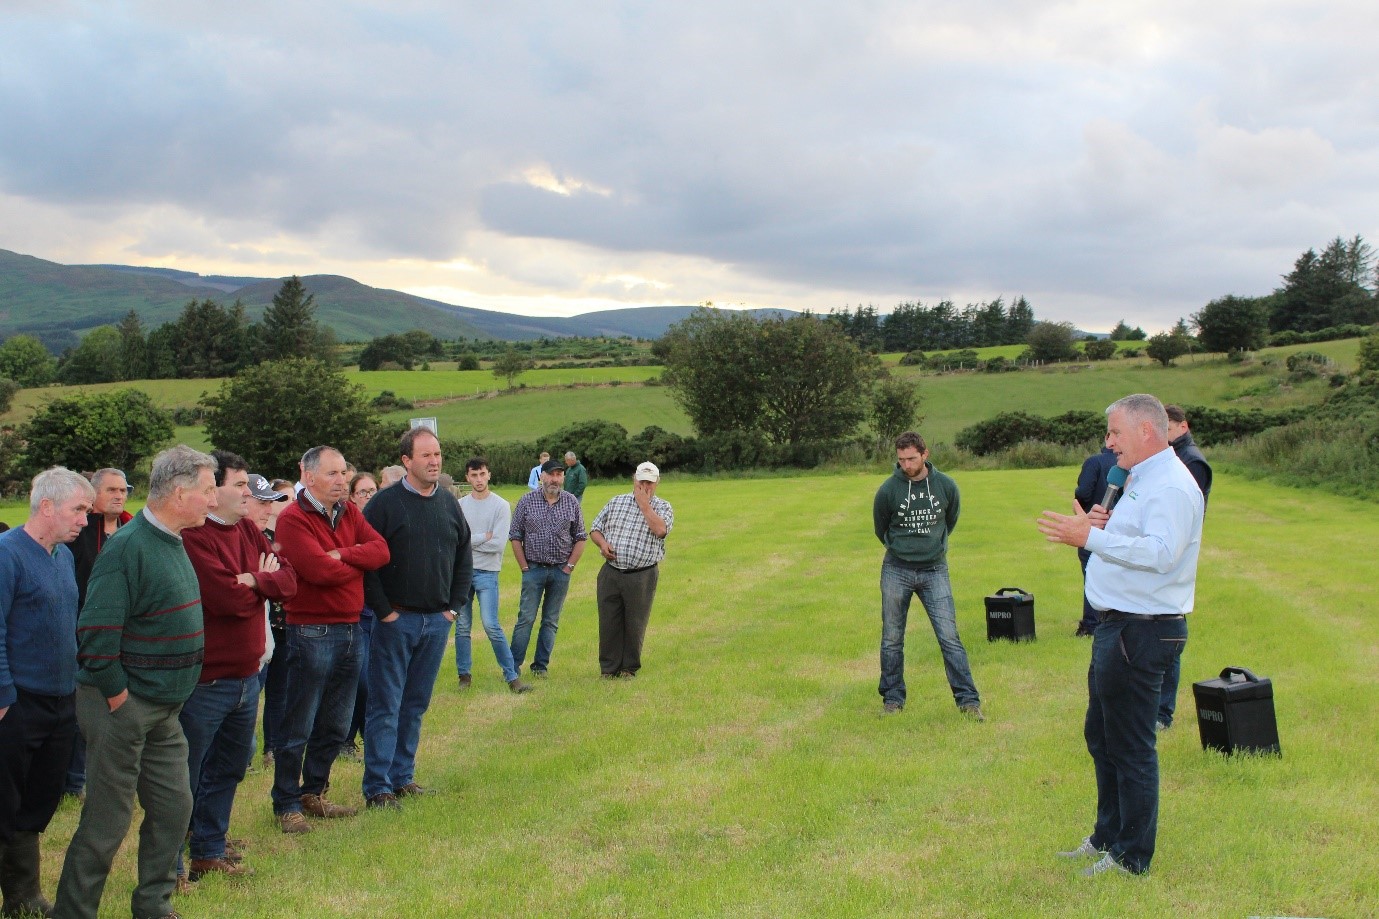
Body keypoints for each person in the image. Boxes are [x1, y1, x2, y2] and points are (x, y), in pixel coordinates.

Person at [1037, 393, 1204, 877]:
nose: (1108, 443)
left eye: (1115, 432)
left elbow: (1162, 554)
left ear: (1146, 431)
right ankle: (1107, 836)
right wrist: (1101, 526)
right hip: (1119, 626)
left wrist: (1090, 538)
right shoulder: (1136, 478)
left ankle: (1132, 857)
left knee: (1131, 746)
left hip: (1142, 630)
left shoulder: (1171, 485)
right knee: (1102, 736)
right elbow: (1136, 542)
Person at [55, 446, 219, 919]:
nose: (213, 500)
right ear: (179, 493)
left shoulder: (172, 540)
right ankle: (73, 911)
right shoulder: (127, 548)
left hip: (164, 709)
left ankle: (153, 905)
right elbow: (95, 634)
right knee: (107, 820)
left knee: (173, 809)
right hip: (122, 705)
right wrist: (119, 697)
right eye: (208, 490)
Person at [179, 452, 297, 881]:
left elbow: (289, 581)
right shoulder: (195, 537)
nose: (249, 492)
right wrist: (259, 584)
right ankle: (171, 865)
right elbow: (225, 599)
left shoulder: (247, 528)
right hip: (206, 680)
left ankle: (209, 851)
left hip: (247, 674)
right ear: (213, 492)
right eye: (240, 484)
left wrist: (254, 580)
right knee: (187, 774)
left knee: (229, 767)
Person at [271, 446, 389, 834]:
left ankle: (314, 791)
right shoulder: (293, 520)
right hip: (311, 631)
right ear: (308, 477)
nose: (342, 480)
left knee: (336, 723)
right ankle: (286, 802)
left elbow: (381, 551)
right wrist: (353, 561)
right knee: (299, 722)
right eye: (333, 473)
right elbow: (319, 571)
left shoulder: (349, 512)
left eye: (343, 473)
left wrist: (342, 554)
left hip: (351, 629)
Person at [0, 467, 93, 918]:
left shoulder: (62, 557)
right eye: (78, 510)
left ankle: (23, 896)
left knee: (39, 798)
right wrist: (3, 693)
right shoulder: (6, 554)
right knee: (4, 799)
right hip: (17, 702)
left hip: (60, 699)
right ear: (48, 506)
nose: (84, 520)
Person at [361, 430, 471, 809]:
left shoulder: (449, 503)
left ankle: (402, 777)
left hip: (436, 622)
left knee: (415, 704)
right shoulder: (384, 505)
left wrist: (453, 608)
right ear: (406, 461)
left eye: (437, 454)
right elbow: (366, 563)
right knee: (385, 705)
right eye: (425, 455)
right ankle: (378, 787)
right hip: (396, 621)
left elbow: (464, 557)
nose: (434, 461)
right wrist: (385, 611)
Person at [872, 431, 983, 720]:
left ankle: (968, 702)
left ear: (925, 454)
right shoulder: (888, 490)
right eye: (901, 460)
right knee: (891, 639)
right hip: (897, 569)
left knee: (949, 637)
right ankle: (892, 699)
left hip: (935, 570)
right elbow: (881, 528)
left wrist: (933, 547)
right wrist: (901, 549)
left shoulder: (946, 486)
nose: (906, 465)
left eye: (911, 459)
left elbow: (950, 520)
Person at [64, 468, 134, 800]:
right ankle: (74, 778)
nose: (119, 496)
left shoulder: (132, 529)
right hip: (83, 630)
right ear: (93, 496)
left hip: (124, 633)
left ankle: (111, 772)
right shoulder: (79, 533)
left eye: (123, 490)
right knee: (84, 703)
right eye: (111, 490)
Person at [588, 462, 673, 679]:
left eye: (650, 483)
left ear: (657, 483)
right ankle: (608, 669)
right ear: (634, 480)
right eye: (641, 481)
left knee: (635, 623)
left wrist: (645, 505)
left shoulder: (663, 507)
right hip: (611, 571)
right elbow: (595, 528)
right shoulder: (616, 502)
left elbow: (660, 530)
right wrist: (602, 544)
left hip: (642, 574)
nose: (645, 486)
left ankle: (628, 668)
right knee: (609, 621)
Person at [1157, 404, 1213, 730]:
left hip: (1177, 551)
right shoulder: (1174, 457)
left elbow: (1183, 509)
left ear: (1183, 426)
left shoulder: (1191, 461)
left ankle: (1163, 713)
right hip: (1168, 547)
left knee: (1170, 634)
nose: (1164, 435)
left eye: (1168, 428)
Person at [455, 458, 530, 694]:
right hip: (461, 572)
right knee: (462, 626)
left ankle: (511, 676)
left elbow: (497, 544)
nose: (478, 479)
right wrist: (481, 537)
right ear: (467, 478)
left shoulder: (501, 506)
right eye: (473, 475)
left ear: (489, 475)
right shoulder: (459, 505)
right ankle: (464, 676)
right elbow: (456, 541)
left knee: (491, 624)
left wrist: (469, 541)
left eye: (482, 474)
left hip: (487, 572)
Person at [510, 458, 586, 677]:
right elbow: (515, 536)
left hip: (560, 571)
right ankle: (513, 666)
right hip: (533, 569)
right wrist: (524, 568)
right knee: (526, 619)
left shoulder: (571, 502)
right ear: (541, 476)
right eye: (551, 474)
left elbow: (581, 537)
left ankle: (540, 666)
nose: (555, 479)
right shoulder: (526, 501)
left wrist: (569, 567)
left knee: (551, 621)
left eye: (559, 475)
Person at [342, 472, 380, 760]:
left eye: (372, 491)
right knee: (361, 680)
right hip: (356, 615)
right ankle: (347, 738)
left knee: (376, 681)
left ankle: (370, 739)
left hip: (381, 614)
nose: (368, 496)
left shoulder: (381, 523)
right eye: (363, 492)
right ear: (352, 497)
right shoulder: (348, 526)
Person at [257, 478, 294, 769]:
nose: (288, 504)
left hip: (285, 623)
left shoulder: (290, 535)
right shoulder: (258, 536)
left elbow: (290, 577)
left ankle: (273, 747)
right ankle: (243, 750)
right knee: (252, 687)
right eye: (282, 499)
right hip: (263, 623)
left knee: (280, 690)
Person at [1073, 448, 1118, 637]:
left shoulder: (1094, 462)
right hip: (1118, 526)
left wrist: (1080, 506)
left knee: (1091, 573)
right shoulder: (1131, 463)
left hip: (1095, 524)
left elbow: (1084, 492)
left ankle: (1091, 624)